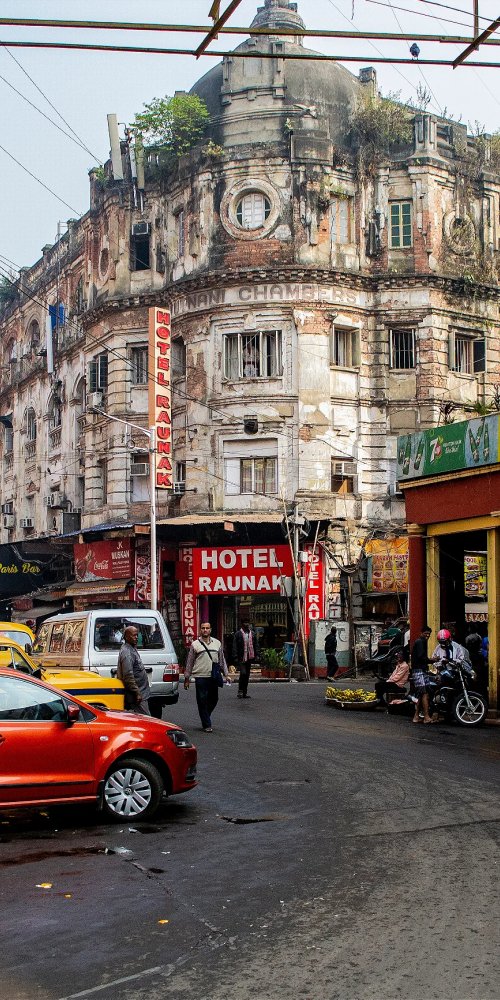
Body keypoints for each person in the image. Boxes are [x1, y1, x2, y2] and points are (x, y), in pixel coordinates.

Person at [184, 622, 230, 732]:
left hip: (213, 676)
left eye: (207, 628)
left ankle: (205, 716)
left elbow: (221, 660)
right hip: (200, 676)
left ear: (210, 630)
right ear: (200, 630)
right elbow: (190, 662)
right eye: (203, 628)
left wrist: (226, 674)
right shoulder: (195, 644)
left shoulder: (217, 643)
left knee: (214, 699)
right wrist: (187, 678)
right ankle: (207, 724)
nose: (205, 630)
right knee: (202, 700)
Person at [117, 625, 151, 715]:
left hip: (141, 692)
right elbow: (128, 675)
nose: (136, 637)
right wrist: (137, 692)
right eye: (133, 635)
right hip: (136, 695)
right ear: (126, 637)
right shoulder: (127, 652)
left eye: (137, 635)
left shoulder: (132, 648)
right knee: (146, 718)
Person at [410, 625, 434, 724]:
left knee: (422, 693)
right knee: (424, 693)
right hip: (418, 671)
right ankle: (426, 716)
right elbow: (421, 657)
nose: (427, 635)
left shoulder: (422, 641)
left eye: (429, 634)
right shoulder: (420, 642)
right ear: (421, 633)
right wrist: (432, 660)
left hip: (421, 670)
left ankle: (416, 716)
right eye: (426, 633)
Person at [233, 620, 259, 699]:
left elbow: (256, 645)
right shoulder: (238, 634)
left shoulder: (252, 634)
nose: (247, 625)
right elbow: (235, 646)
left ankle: (244, 692)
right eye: (245, 623)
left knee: (247, 675)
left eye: (248, 623)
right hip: (241, 657)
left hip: (249, 657)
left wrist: (257, 655)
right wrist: (235, 656)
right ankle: (240, 690)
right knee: (243, 673)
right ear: (242, 624)